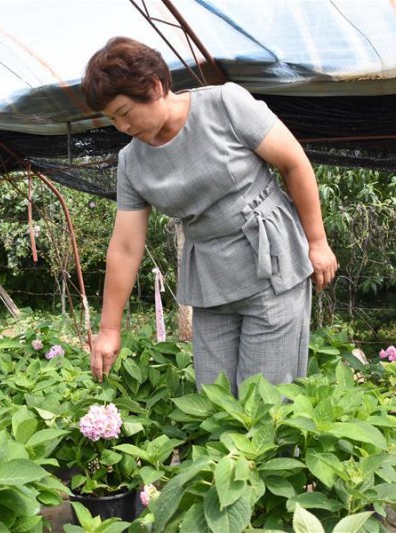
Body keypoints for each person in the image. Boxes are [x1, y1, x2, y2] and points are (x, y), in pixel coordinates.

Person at [81, 37, 337, 395]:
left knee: (265, 398)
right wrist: (109, 329)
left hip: (271, 261)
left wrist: (317, 241)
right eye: (112, 119)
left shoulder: (224, 104)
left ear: (155, 87)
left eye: (124, 113)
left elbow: (294, 163)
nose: (122, 127)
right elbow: (125, 246)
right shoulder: (131, 162)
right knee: (213, 399)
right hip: (211, 279)